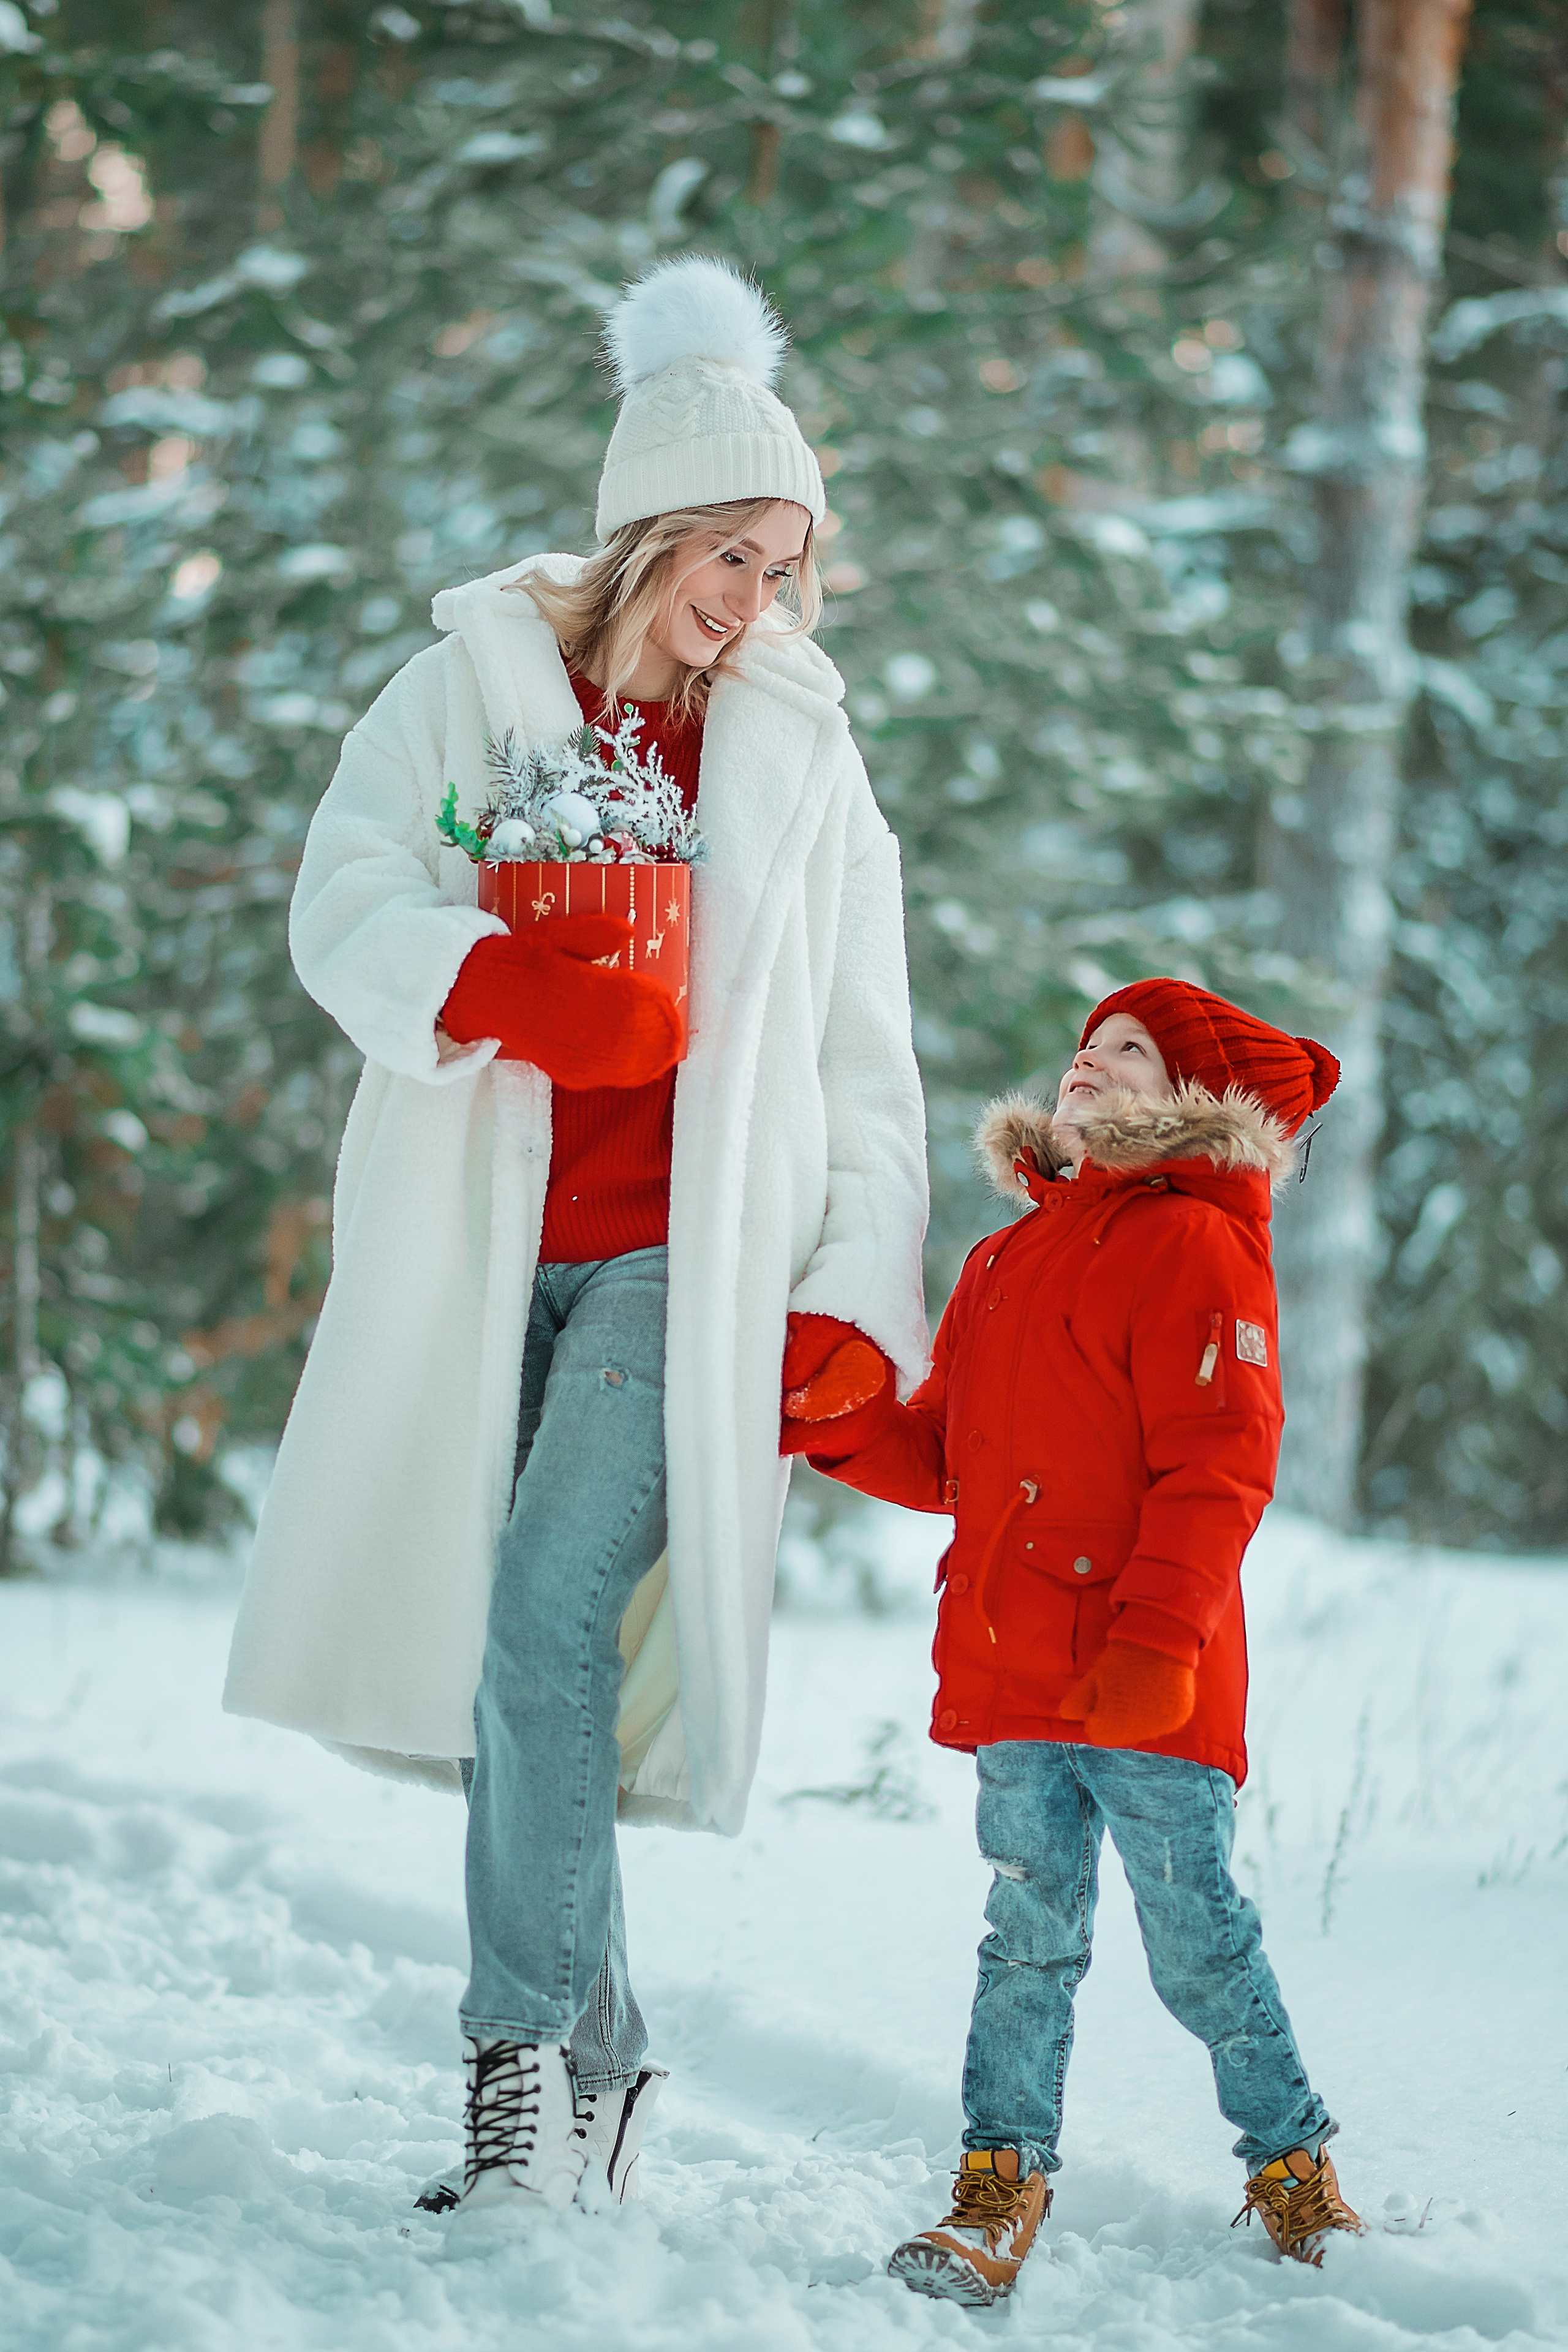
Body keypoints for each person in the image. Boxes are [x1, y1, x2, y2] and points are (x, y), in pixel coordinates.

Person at [222, 255, 929, 2221]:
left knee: (547, 1616)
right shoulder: (467, 685)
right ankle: (609, 2053)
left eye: (786, 569)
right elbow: (345, 888)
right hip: (479, 1241)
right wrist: (501, 992)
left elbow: (872, 1049)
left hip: (676, 1268)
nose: (755, 603)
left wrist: (856, 1285)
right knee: (501, 1670)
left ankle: (516, 2070)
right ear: (648, 531)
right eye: (730, 556)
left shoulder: (803, 752)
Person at [783, 979, 1362, 2305]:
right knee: (1023, 1935)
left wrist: (1159, 1641)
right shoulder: (1006, 1259)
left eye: (1129, 1053)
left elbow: (1219, 1466)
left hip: (1146, 1677)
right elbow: (946, 1457)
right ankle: (999, 2183)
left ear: (1198, 1106)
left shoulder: (1198, 1251)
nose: (1086, 1065)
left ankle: (1290, 2168)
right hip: (1014, 1672)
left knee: (1196, 1942)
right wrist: (836, 1414)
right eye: (1084, 1047)